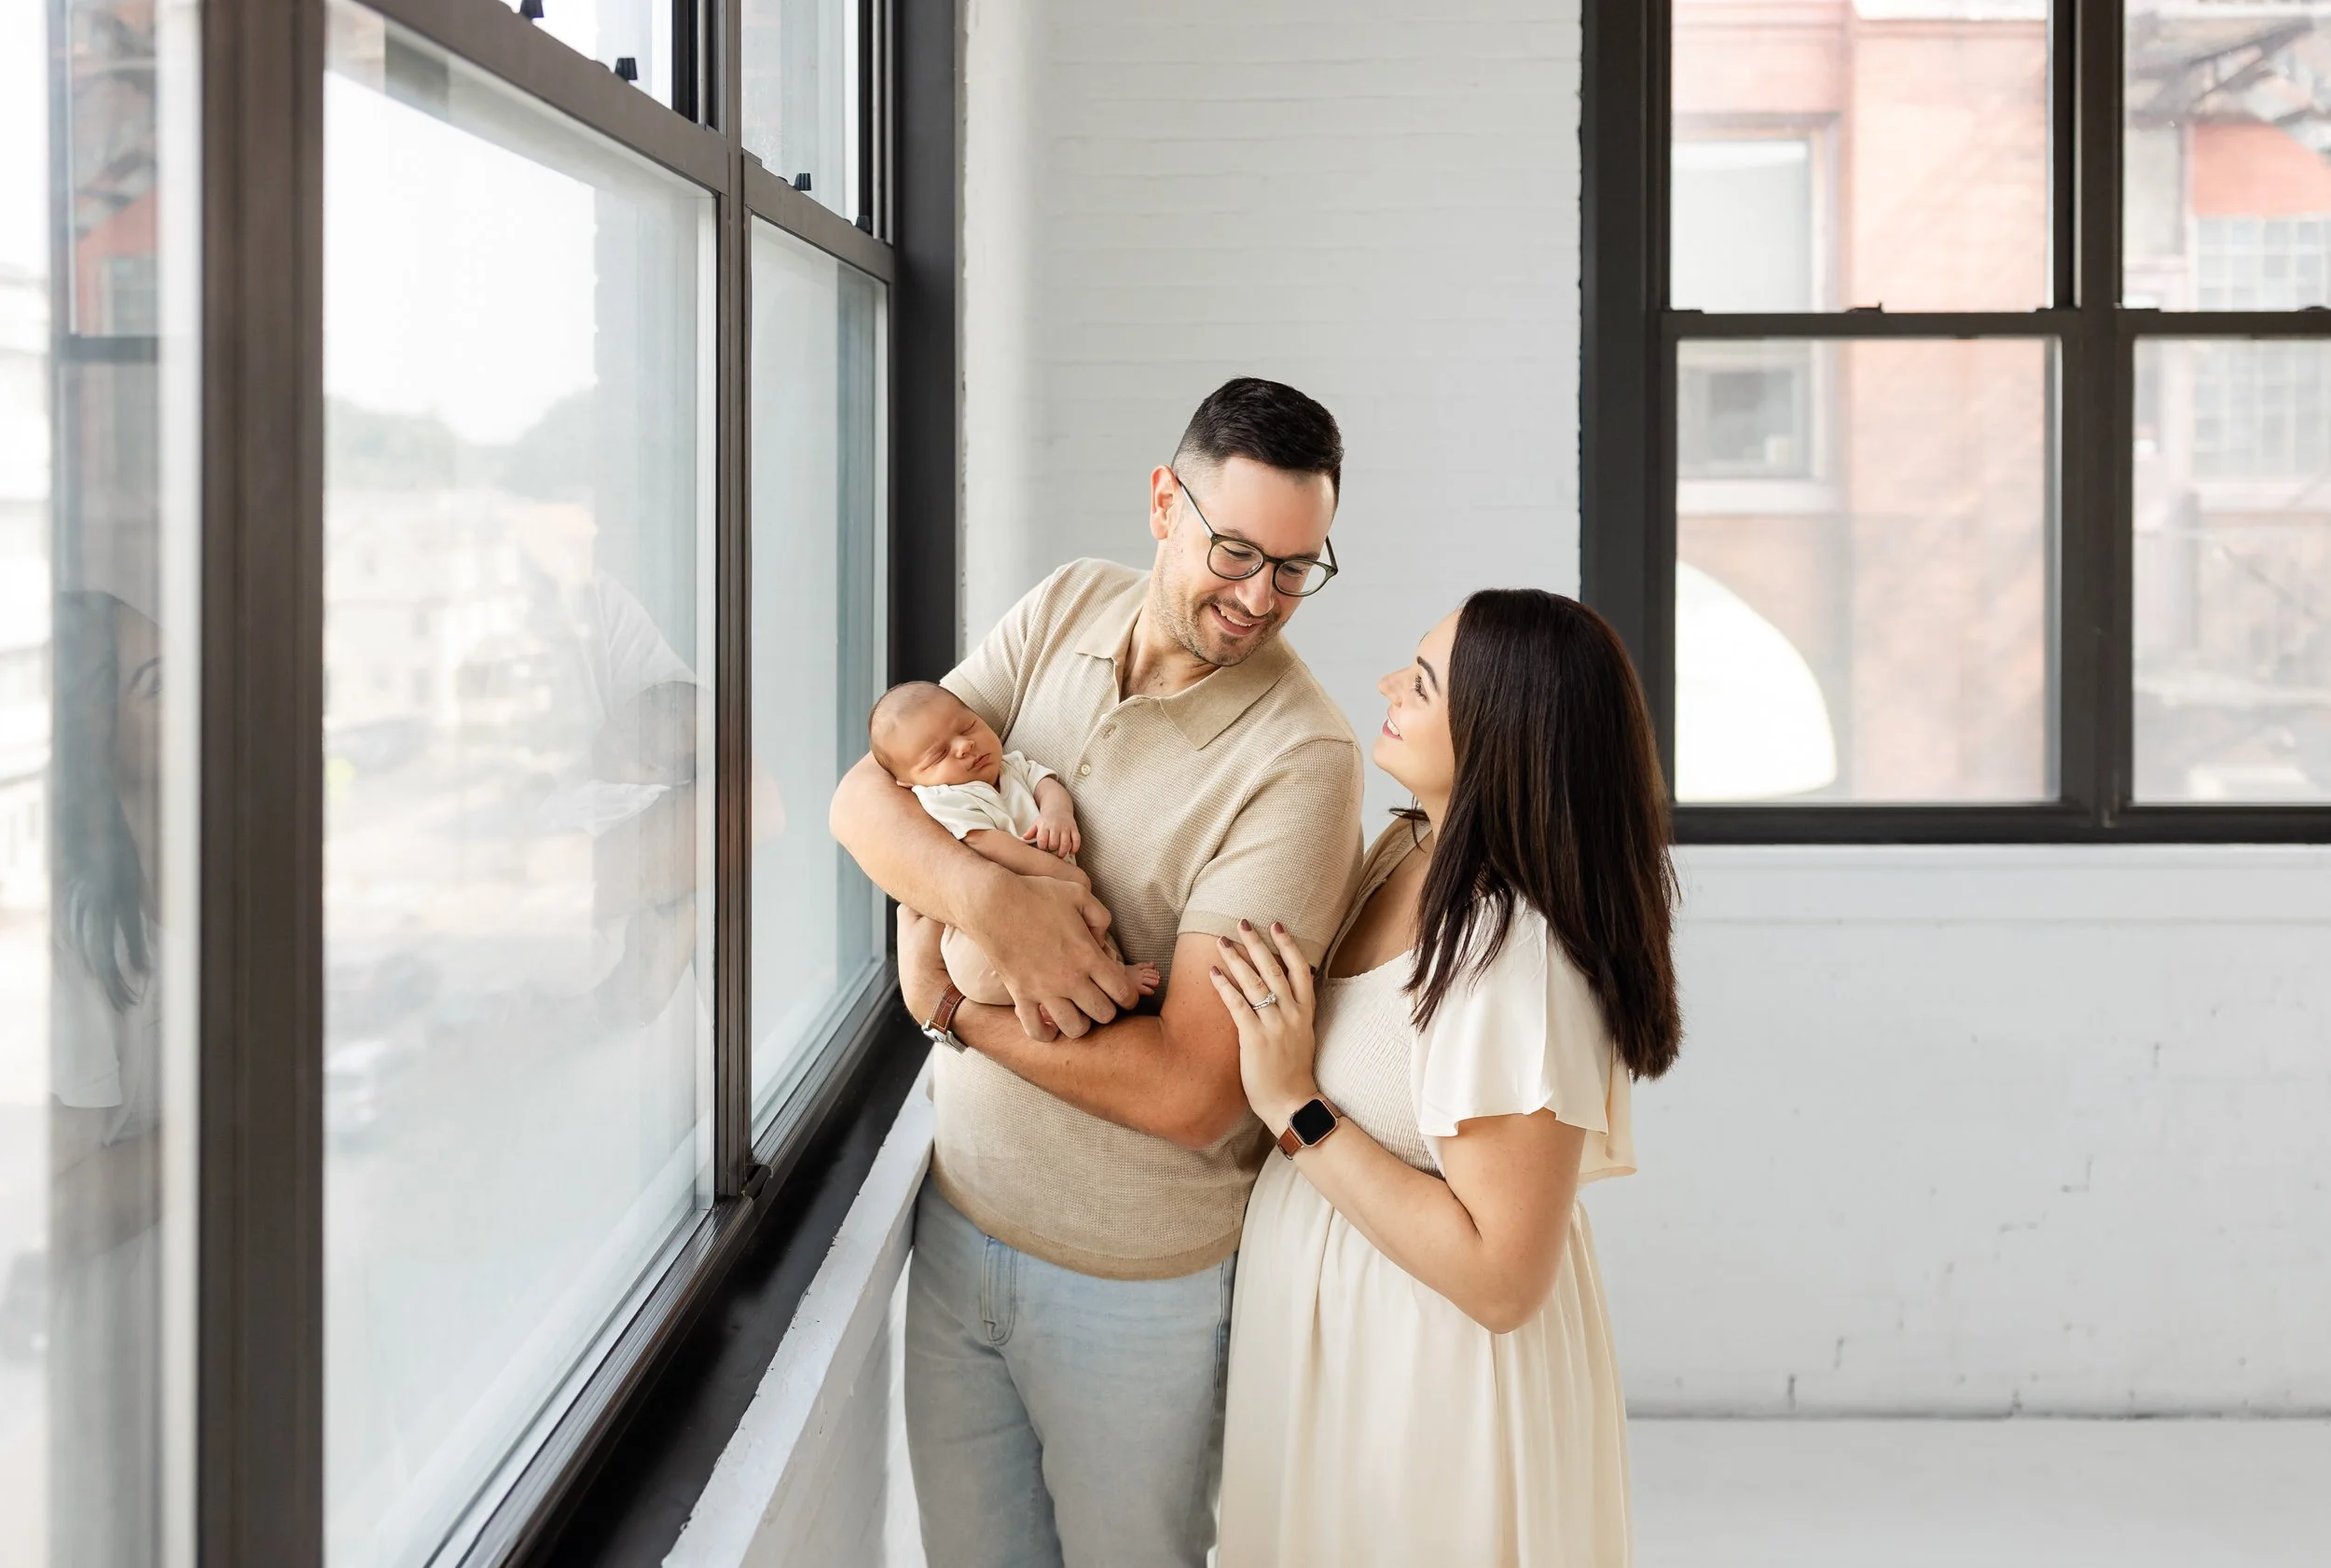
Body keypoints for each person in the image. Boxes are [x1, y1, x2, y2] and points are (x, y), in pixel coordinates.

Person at [831, 378, 1367, 1568]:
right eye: (1236, 551)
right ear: (1164, 502)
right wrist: (983, 902)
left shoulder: (1302, 761)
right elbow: (869, 789)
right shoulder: (1068, 599)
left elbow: (1193, 1089)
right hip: (958, 1225)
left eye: (1295, 566)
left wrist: (956, 1006)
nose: (1258, 598)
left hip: (1138, 1293)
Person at [1208, 589, 1683, 1567]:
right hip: (1340, 1368)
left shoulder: (1515, 956)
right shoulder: (1404, 852)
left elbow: (1503, 1277)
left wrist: (1293, 1106)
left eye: (1420, 682)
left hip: (1427, 1393)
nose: (1388, 684)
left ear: (1496, 736)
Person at [866, 680, 1159, 1007]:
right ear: (909, 781)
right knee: (983, 967)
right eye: (938, 755)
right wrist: (1053, 870)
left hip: (1054, 900)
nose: (964, 746)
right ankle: (1049, 1003)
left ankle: (1113, 973)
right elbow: (984, 842)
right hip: (987, 930)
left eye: (968, 726)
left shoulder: (1011, 765)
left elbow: (1047, 785)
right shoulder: (941, 797)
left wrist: (1056, 814)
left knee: (1084, 931)